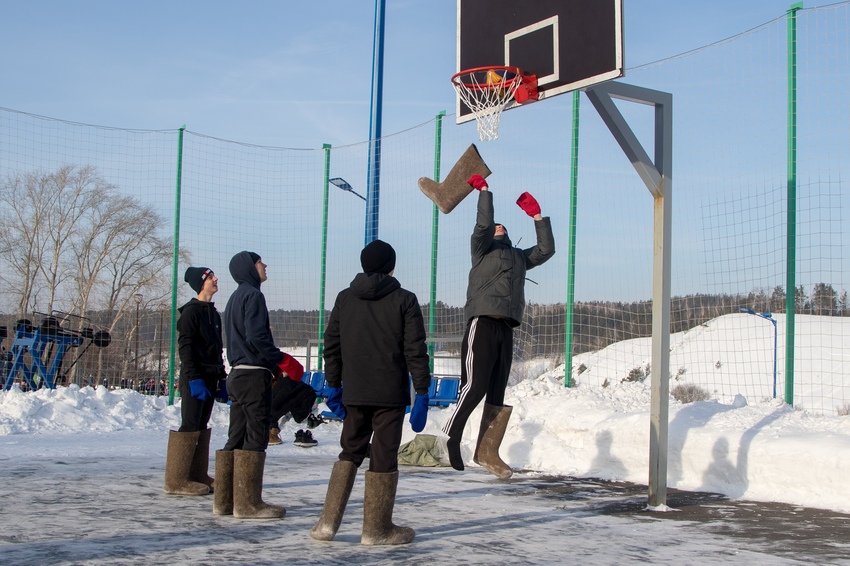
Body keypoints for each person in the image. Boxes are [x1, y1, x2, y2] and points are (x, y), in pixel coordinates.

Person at [310, 239, 431, 546]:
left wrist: (334, 384)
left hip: (355, 391)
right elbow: (415, 349)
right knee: (383, 455)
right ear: (391, 266)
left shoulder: (344, 298)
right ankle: (376, 529)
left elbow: (332, 345)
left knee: (349, 451)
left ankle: (327, 524)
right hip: (389, 393)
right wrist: (422, 390)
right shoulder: (405, 299)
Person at [442, 175, 555, 479]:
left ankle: (486, 451)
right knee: (474, 386)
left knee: (496, 391)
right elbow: (482, 225)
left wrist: (537, 217)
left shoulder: (519, 258)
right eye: (495, 226)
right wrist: (484, 192)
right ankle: (448, 439)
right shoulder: (481, 250)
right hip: (482, 322)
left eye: (502, 225)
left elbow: (545, 251)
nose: (498, 226)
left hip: (507, 328)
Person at [213, 251, 304, 519]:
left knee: (236, 435)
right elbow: (257, 337)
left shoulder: (233, 298)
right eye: (260, 262)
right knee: (255, 433)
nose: (265, 266)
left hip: (238, 374)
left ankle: (224, 500)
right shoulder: (253, 295)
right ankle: (248, 503)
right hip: (254, 376)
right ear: (249, 268)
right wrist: (281, 360)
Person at [164, 266, 226, 496]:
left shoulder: (213, 313)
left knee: (201, 425)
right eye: (210, 277)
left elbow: (216, 348)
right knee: (189, 425)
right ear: (201, 284)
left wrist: (221, 376)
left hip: (210, 377)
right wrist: (194, 378)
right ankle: (176, 479)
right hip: (195, 379)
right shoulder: (191, 312)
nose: (215, 279)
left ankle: (197, 474)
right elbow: (186, 349)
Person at [267, 376, 324, 447]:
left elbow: (275, 406)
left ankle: (303, 435)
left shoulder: (280, 388)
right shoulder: (281, 384)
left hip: (305, 400)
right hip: (304, 396)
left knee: (298, 417)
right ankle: (273, 432)